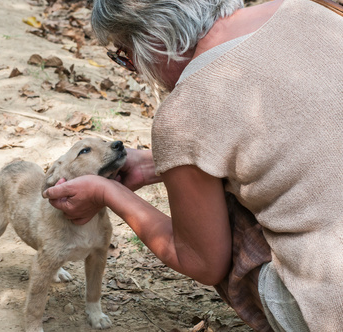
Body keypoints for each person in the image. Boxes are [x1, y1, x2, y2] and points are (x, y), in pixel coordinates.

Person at [42, 0, 343, 331]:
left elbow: (202, 263)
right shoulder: (308, 9)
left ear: (154, 39)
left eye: (126, 56)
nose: (136, 70)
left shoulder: (186, 111)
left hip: (331, 304)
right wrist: (160, 164)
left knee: (217, 214)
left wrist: (106, 191)